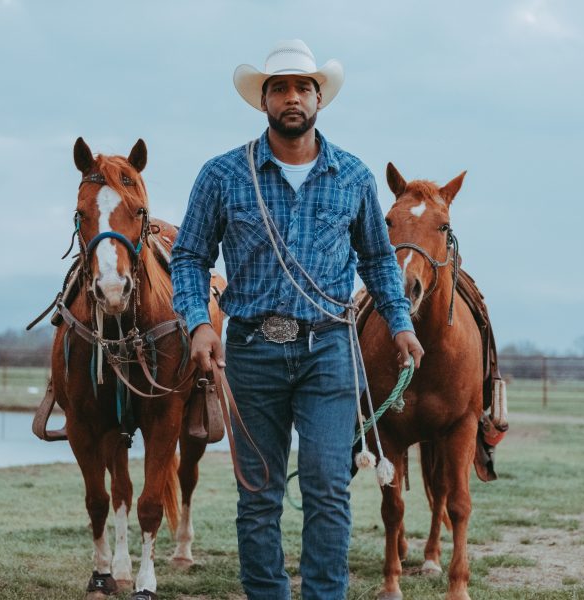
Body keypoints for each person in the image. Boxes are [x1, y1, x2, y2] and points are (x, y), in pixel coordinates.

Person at [170, 39, 424, 600]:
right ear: (263, 100)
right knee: (257, 493)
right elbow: (188, 257)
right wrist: (198, 322)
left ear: (319, 98)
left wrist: (400, 324)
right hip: (254, 350)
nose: (292, 98)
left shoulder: (353, 176)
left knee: (329, 488)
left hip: (330, 349)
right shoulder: (221, 175)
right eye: (279, 88)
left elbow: (378, 260)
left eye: (302, 88)